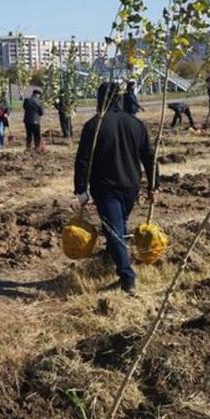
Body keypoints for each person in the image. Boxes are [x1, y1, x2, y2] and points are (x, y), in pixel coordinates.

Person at [74, 82, 157, 294]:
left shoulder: (93, 126)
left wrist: (81, 189)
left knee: (115, 231)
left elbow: (83, 161)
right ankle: (111, 257)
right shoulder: (135, 124)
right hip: (131, 186)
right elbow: (150, 157)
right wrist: (153, 184)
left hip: (105, 188)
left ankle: (127, 278)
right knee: (118, 225)